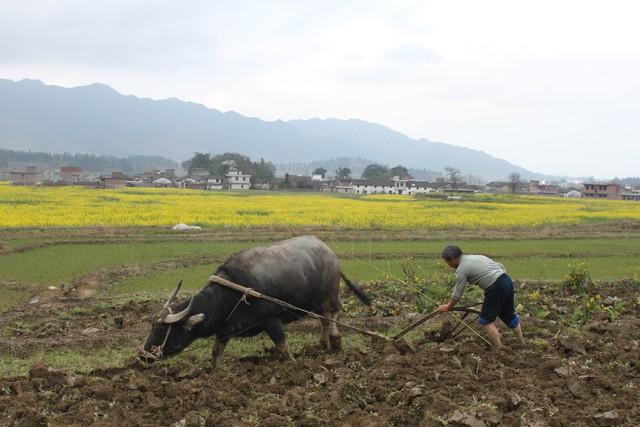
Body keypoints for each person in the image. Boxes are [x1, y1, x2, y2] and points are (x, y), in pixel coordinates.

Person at [436, 245, 525, 349]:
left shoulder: (462, 269)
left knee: (486, 320)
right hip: (506, 280)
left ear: (453, 259)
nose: (449, 265)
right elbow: (500, 266)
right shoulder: (475, 257)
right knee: (509, 316)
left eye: (448, 262)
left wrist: (447, 306)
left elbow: (457, 294)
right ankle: (522, 344)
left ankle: (499, 349)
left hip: (495, 287)